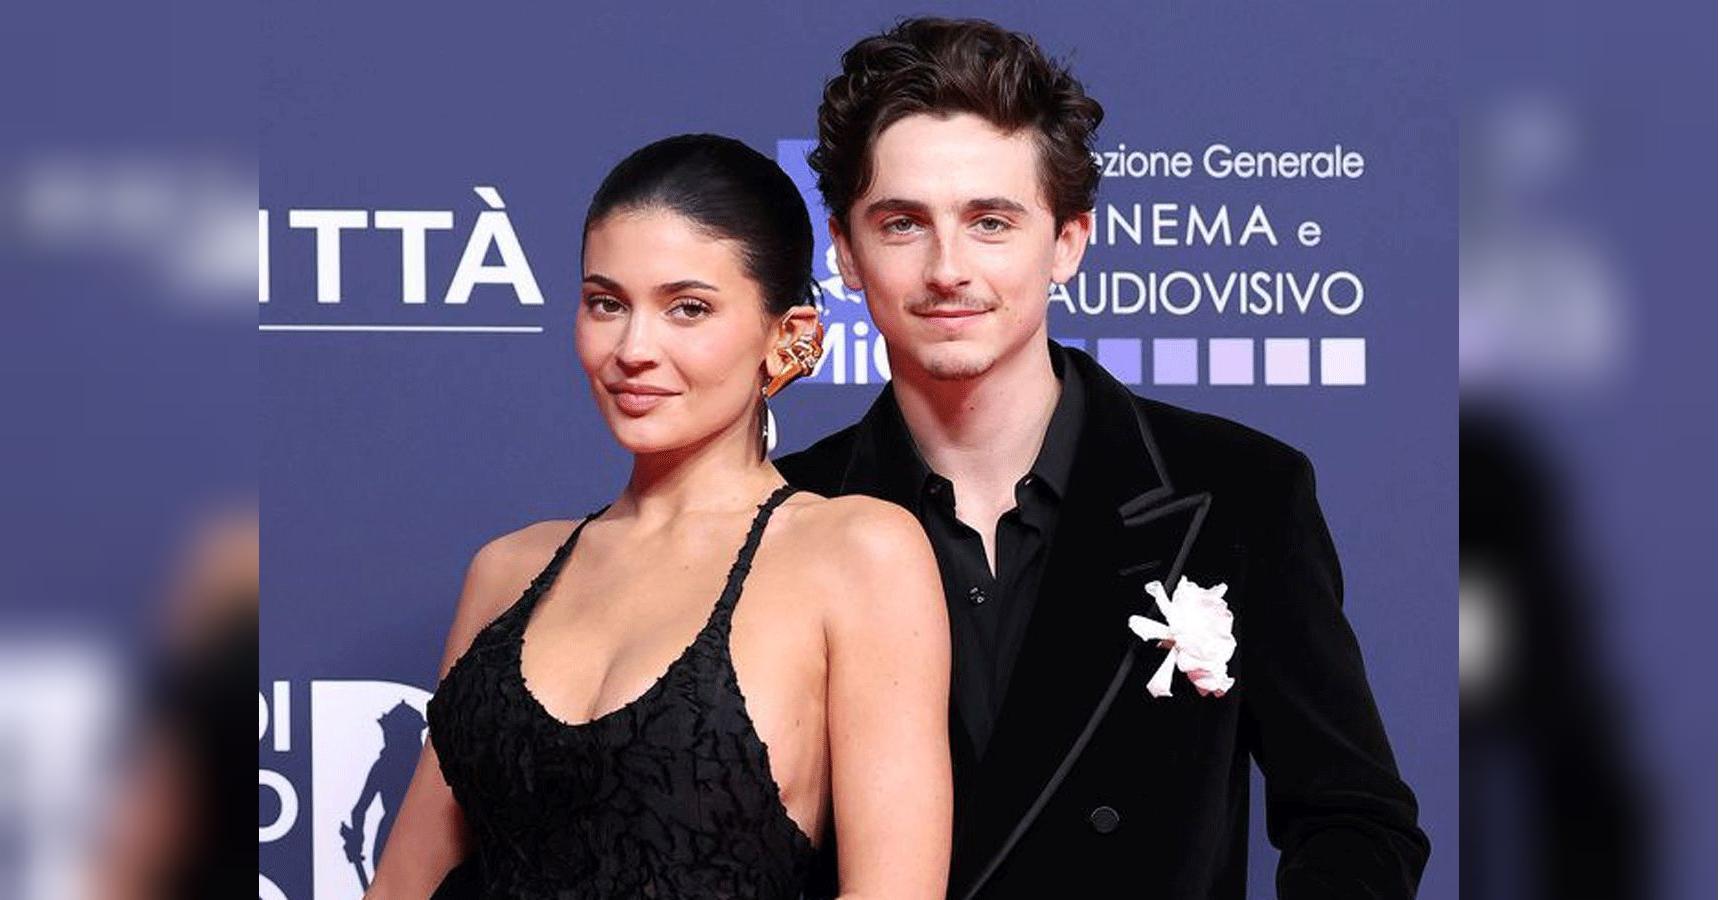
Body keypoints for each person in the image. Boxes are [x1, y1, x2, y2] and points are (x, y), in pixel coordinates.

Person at [776, 18, 1431, 899]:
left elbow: (1355, 819)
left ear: (1068, 242)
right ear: (846, 252)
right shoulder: (781, 515)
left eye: (990, 222)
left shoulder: (1240, 492)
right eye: (902, 224)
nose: (947, 268)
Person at [366, 134, 953, 899]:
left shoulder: (855, 555)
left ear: (789, 337)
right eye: (606, 304)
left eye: (688, 309)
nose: (633, 348)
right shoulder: (506, 571)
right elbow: (403, 885)